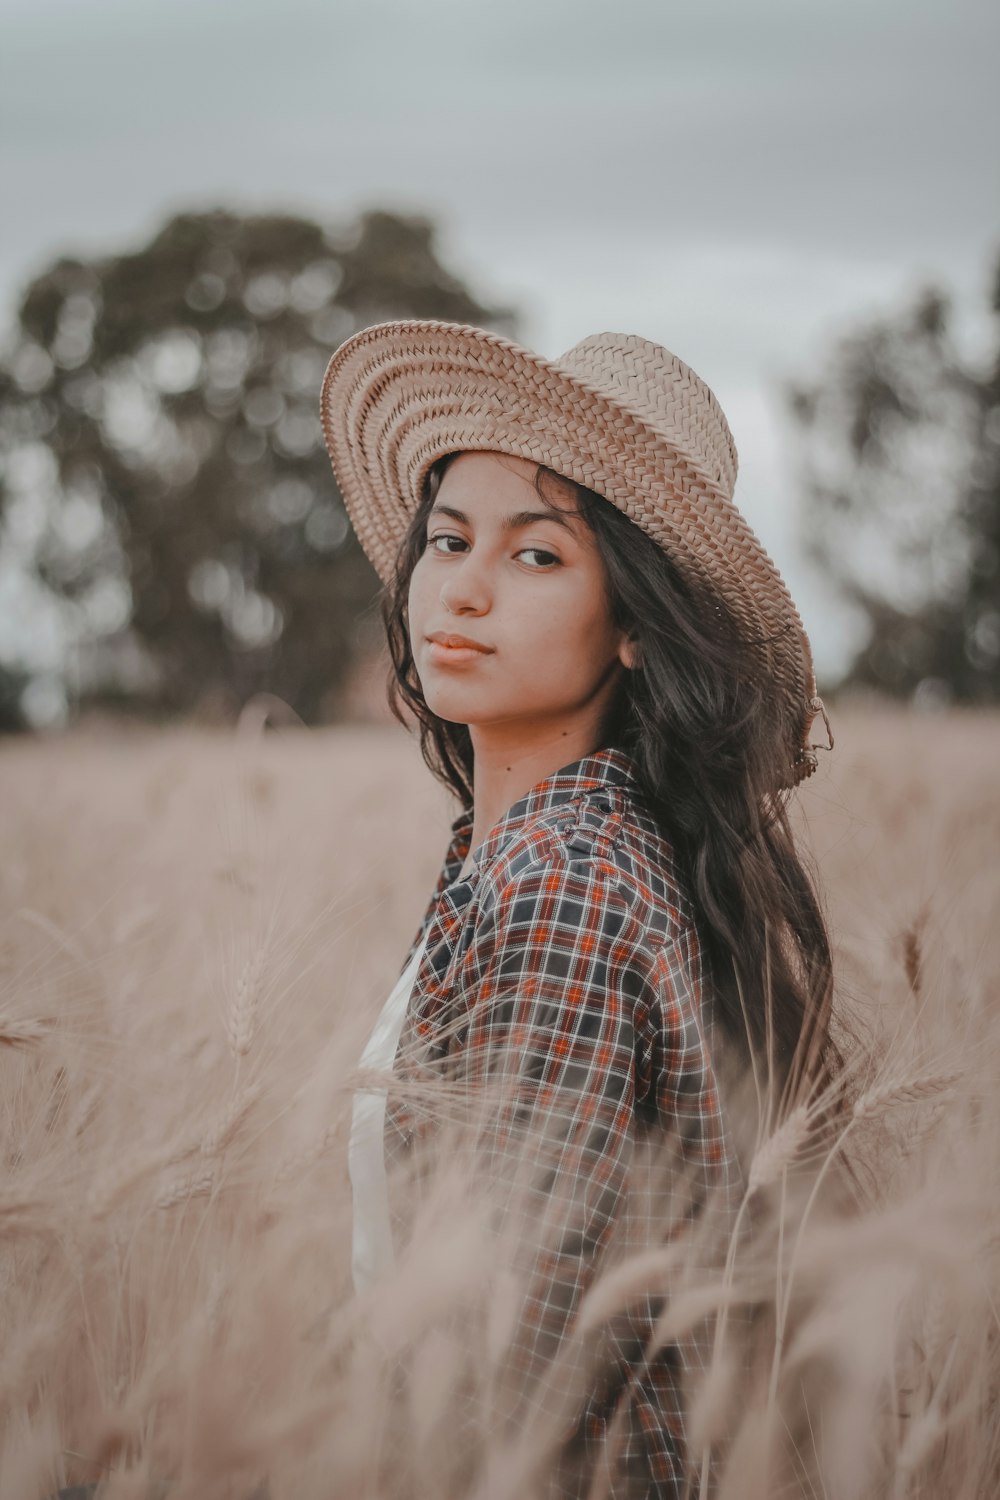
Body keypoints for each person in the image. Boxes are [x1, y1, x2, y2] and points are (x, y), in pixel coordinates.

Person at [320, 321, 843, 1498]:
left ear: (635, 625)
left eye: (537, 556)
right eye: (446, 538)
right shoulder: (545, 854)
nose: (461, 585)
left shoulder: (561, 882)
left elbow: (505, 1376)